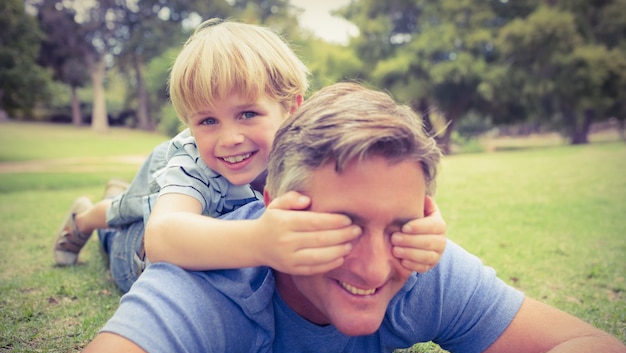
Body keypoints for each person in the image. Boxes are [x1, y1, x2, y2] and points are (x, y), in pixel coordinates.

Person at [36, 82, 626, 353]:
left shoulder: (420, 260)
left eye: (398, 224)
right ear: (273, 204)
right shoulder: (208, 282)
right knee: (128, 231)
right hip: (142, 244)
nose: (373, 267)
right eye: (338, 227)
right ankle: (104, 211)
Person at [52, 19, 447, 293]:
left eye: (247, 113)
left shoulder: (308, 148)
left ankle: (122, 196)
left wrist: (422, 225)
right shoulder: (195, 162)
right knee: (129, 212)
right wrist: (261, 240)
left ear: (291, 107)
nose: (229, 138)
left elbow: (372, 190)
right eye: (207, 120)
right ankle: (85, 218)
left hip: (189, 206)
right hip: (139, 252)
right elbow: (162, 236)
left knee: (141, 200)